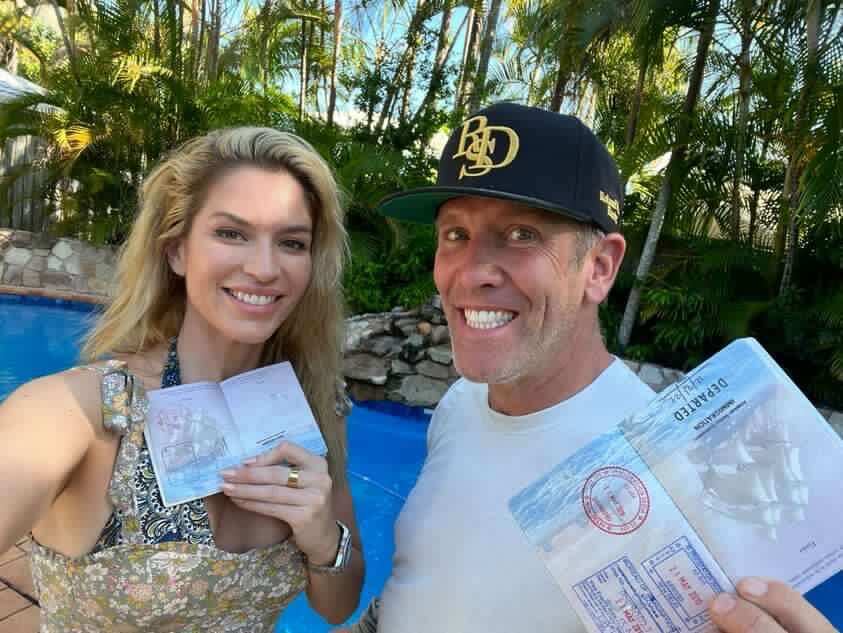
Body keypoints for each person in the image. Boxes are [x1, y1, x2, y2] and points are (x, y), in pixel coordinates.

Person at [342, 103, 836, 633]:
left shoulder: (676, 474)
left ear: (599, 268)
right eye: (455, 235)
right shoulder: (462, 403)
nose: (472, 271)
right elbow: (431, 589)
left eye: (521, 235)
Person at [0, 127, 364, 631]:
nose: (263, 267)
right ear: (176, 250)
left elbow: (337, 606)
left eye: (291, 242)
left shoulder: (317, 406)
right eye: (231, 233)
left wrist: (325, 535)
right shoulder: (76, 413)